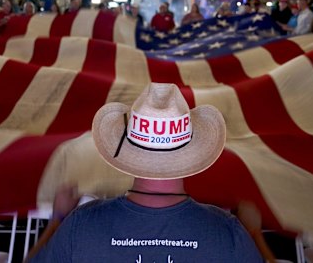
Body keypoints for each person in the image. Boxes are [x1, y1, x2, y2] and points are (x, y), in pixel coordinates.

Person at [27, 83, 264, 262]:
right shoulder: (228, 233)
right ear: (190, 153)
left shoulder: (80, 225)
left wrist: (57, 222)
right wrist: (253, 234)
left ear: (128, 148)